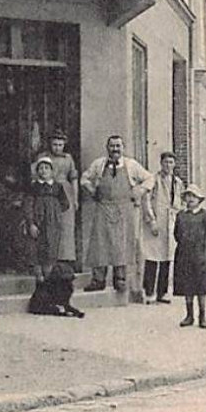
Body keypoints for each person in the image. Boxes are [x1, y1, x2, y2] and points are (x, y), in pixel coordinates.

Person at [81, 135, 153, 303]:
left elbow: (150, 178)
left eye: (118, 146)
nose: (115, 149)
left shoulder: (131, 165)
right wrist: (91, 189)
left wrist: (139, 191)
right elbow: (84, 178)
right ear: (107, 148)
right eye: (112, 146)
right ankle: (98, 280)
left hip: (123, 209)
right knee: (100, 244)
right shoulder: (99, 164)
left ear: (123, 148)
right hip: (103, 207)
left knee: (121, 244)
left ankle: (120, 280)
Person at [20, 156, 82, 318]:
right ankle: (39, 280)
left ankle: (49, 284)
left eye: (47, 168)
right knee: (36, 249)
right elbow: (27, 205)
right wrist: (32, 222)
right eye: (40, 168)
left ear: (52, 172)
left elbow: (65, 204)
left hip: (53, 225)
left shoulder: (57, 187)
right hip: (38, 222)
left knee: (51, 250)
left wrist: (53, 213)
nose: (43, 171)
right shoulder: (33, 187)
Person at [141, 150, 184, 304]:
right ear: (161, 163)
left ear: (175, 164)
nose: (168, 165)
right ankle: (149, 292)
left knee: (167, 257)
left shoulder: (177, 182)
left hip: (170, 222)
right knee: (152, 257)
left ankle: (162, 292)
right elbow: (145, 200)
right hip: (156, 222)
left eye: (171, 162)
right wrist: (151, 220)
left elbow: (180, 203)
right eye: (166, 162)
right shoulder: (153, 180)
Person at [172, 185, 206, 329]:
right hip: (184, 254)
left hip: (200, 254)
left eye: (194, 196)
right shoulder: (181, 215)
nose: (190, 199)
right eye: (188, 196)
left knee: (201, 286)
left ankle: (202, 316)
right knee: (187, 285)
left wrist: (204, 247)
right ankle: (189, 315)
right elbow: (177, 234)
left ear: (199, 199)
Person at [44, 129, 80, 266]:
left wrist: (75, 198)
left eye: (60, 145)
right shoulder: (44, 157)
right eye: (54, 144)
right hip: (50, 190)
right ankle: (50, 258)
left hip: (66, 191)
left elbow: (74, 178)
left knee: (66, 226)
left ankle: (66, 259)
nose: (57, 148)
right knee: (51, 223)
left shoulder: (68, 158)